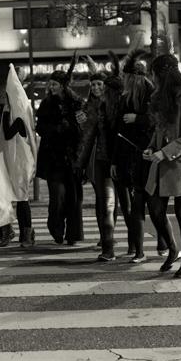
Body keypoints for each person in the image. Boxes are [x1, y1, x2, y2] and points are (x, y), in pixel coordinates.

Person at [142, 53, 181, 279]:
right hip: (163, 163)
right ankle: (173, 249)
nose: (154, 79)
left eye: (155, 74)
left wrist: (164, 152)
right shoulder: (162, 98)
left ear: (163, 74)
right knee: (156, 209)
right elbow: (159, 130)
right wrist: (151, 148)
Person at [111, 49, 169, 263]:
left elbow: (159, 123)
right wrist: (115, 160)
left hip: (149, 154)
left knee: (154, 204)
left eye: (127, 77)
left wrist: (138, 119)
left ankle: (164, 243)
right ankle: (138, 251)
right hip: (130, 157)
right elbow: (119, 131)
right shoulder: (125, 98)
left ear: (135, 77)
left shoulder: (152, 95)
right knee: (136, 204)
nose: (124, 81)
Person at [0, 64, 37, 248]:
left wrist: (7, 112)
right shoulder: (3, 110)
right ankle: (7, 232)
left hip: (21, 162)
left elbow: (8, 133)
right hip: (7, 159)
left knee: (21, 199)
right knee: (5, 195)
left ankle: (27, 235)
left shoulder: (21, 113)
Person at [76, 56, 122, 261]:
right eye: (93, 84)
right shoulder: (87, 106)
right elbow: (86, 134)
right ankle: (106, 240)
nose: (95, 87)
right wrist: (82, 122)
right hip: (94, 158)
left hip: (111, 156)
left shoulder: (113, 104)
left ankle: (115, 241)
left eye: (99, 84)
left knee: (112, 200)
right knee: (102, 199)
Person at [35, 56, 84, 245]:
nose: (51, 87)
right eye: (50, 84)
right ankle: (56, 228)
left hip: (72, 159)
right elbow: (40, 128)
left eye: (54, 84)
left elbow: (83, 130)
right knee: (57, 199)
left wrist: (71, 127)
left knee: (73, 199)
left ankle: (72, 234)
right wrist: (56, 129)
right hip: (53, 160)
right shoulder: (46, 104)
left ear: (63, 85)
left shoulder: (77, 103)